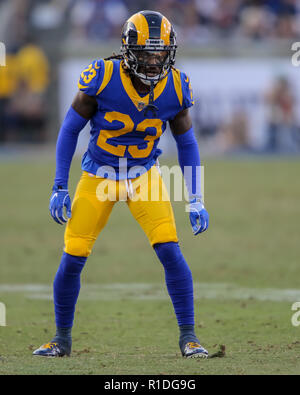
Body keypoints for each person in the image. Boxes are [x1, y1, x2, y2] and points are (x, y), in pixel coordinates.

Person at [33, 10, 209, 359]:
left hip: (144, 175)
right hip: (99, 175)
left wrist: (195, 197)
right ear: (128, 50)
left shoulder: (175, 85)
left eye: (160, 53)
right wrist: (59, 185)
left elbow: (187, 143)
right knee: (73, 257)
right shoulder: (102, 75)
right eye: (146, 52)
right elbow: (70, 129)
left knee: (171, 252)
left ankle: (189, 338)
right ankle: (61, 339)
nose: (153, 60)